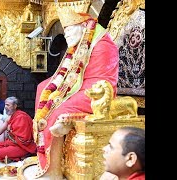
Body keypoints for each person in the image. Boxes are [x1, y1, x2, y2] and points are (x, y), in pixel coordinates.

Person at [33, 7, 119, 178]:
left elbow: (101, 81)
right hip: (79, 85)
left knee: (57, 110)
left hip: (97, 90)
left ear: (83, 25)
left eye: (69, 29)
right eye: (64, 31)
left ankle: (54, 169)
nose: (66, 35)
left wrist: (64, 94)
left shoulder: (102, 43)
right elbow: (68, 73)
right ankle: (43, 155)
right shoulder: (79, 43)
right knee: (42, 87)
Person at [0, 96, 36, 162]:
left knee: (0, 153)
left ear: (15, 106)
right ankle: (13, 156)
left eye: (8, 105)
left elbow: (24, 140)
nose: (5, 107)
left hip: (23, 146)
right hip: (13, 142)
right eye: (5, 105)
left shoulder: (21, 117)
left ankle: (24, 155)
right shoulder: (10, 117)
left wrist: (10, 130)